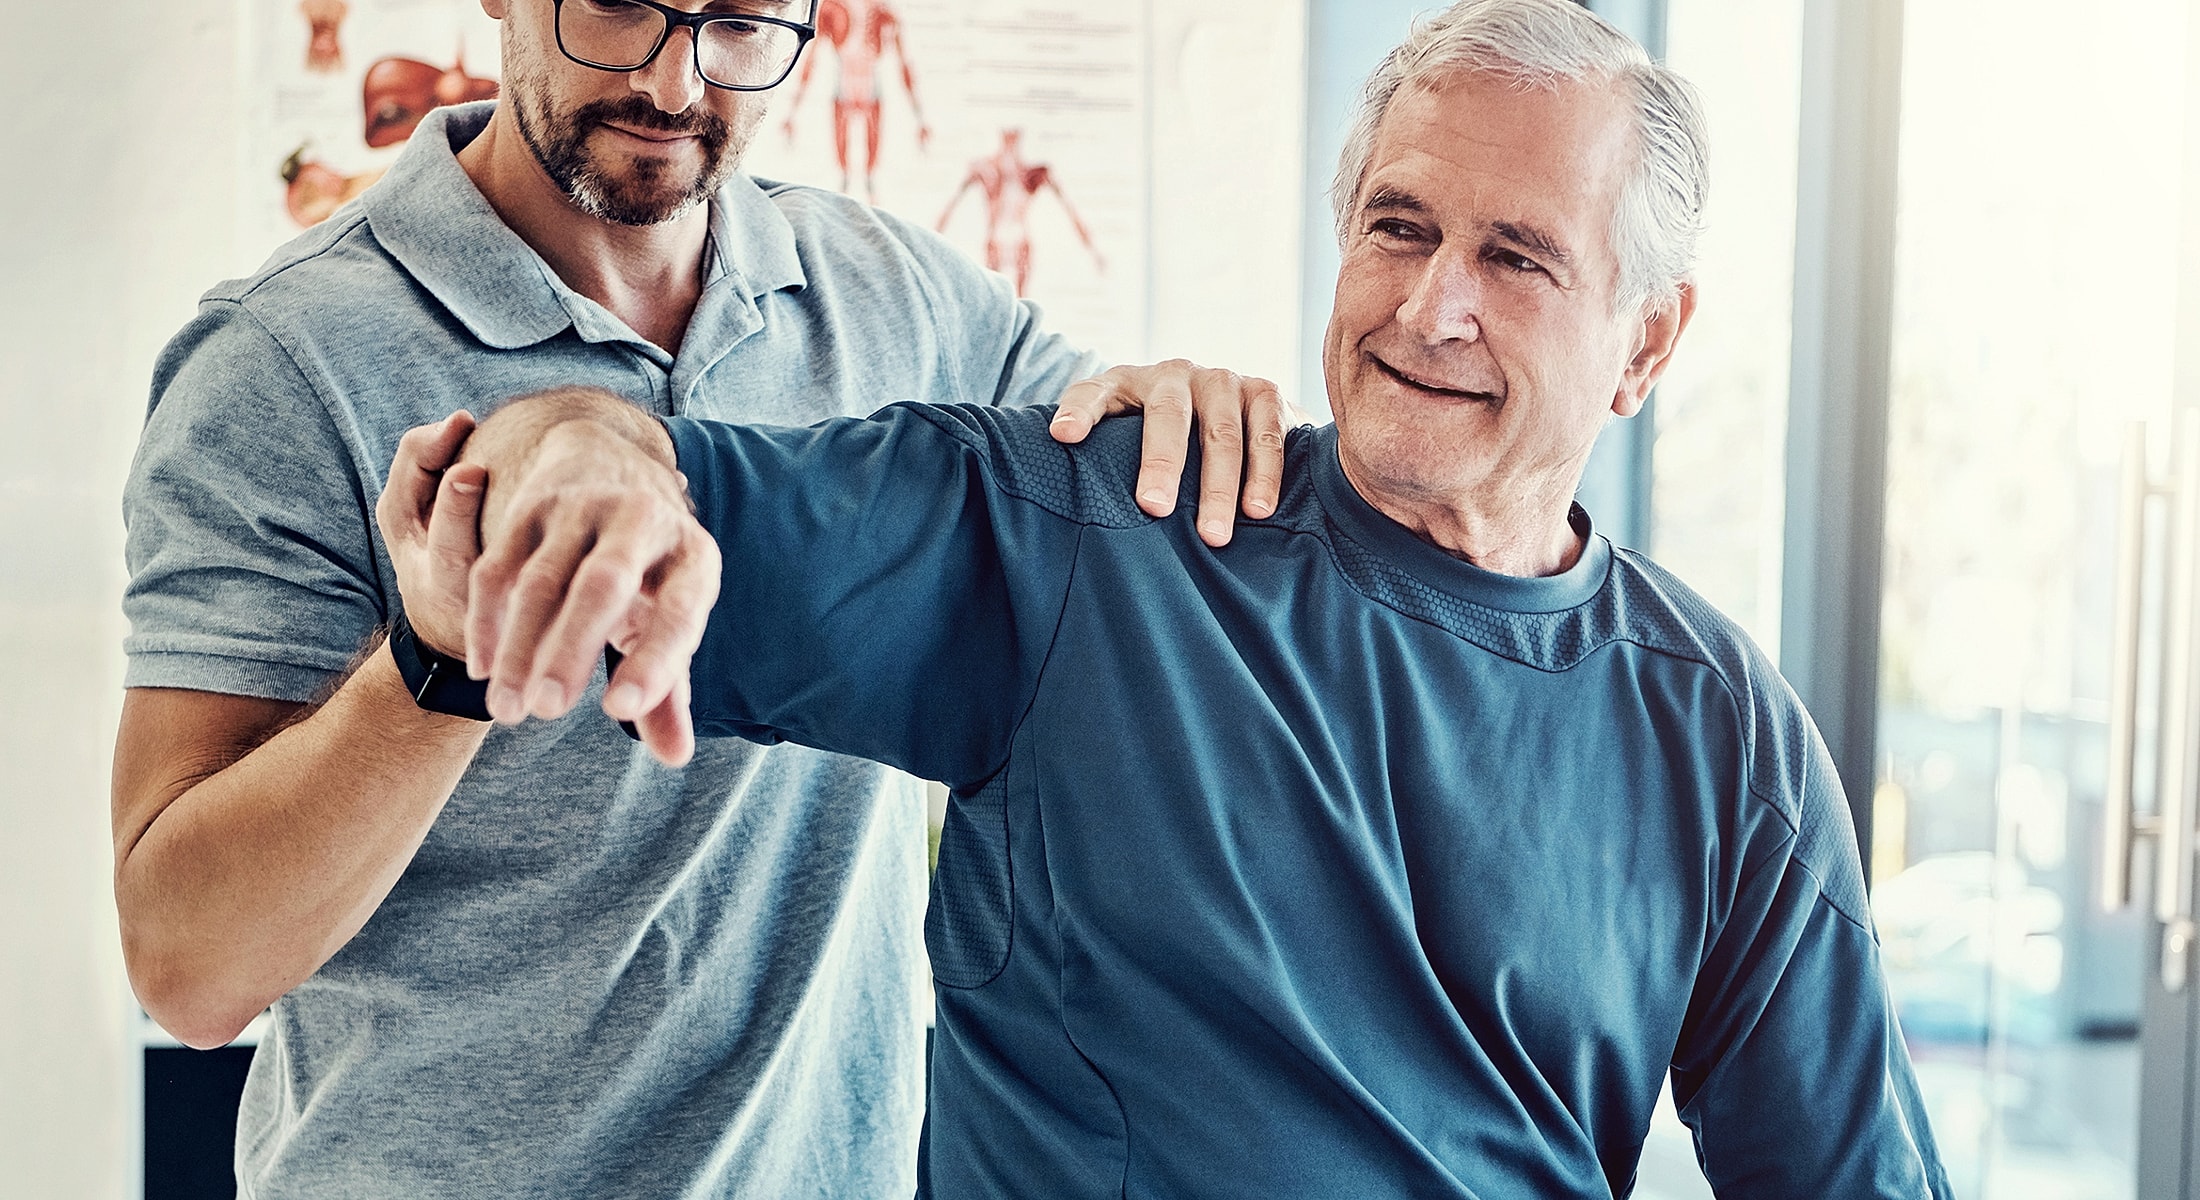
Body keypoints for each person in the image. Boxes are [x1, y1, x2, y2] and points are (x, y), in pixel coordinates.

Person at [413, 1, 1955, 1196]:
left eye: (1519, 260)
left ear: (1642, 345)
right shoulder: (1106, 525)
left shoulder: (1723, 734)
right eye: (1400, 227)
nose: (1434, 305)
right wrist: (583, 462)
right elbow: (633, 466)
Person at [112, 0, 1286, 1196]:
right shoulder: (283, 360)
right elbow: (189, 969)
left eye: (735, 23)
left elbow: (1114, 506)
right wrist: (438, 659)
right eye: (620, 7)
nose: (675, 86)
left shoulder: (906, 305)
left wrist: (1176, 410)